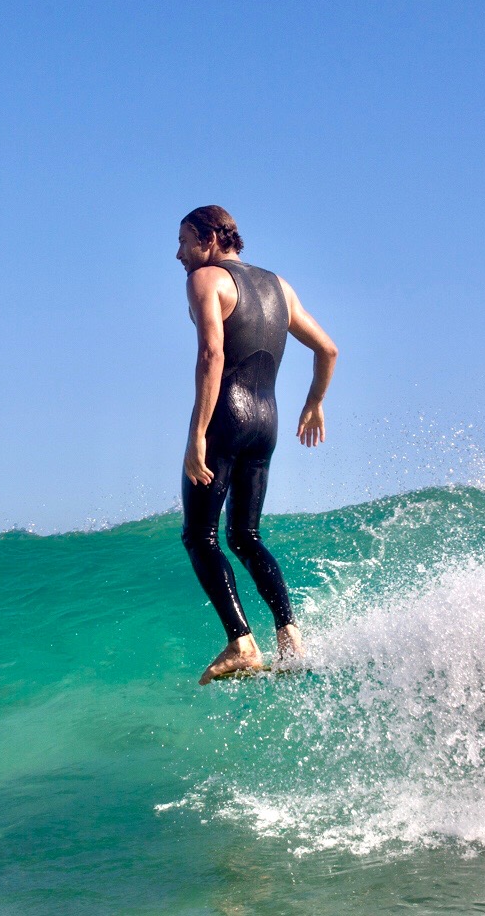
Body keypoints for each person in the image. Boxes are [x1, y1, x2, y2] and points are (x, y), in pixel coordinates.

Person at [176, 205, 338, 684]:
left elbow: (212, 353)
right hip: (266, 421)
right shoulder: (279, 286)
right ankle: (289, 638)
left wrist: (196, 436)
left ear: (208, 239)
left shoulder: (207, 279)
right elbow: (327, 348)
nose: (179, 253)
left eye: (184, 241)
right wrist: (315, 403)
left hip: (227, 414)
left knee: (200, 536)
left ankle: (241, 642)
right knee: (246, 537)